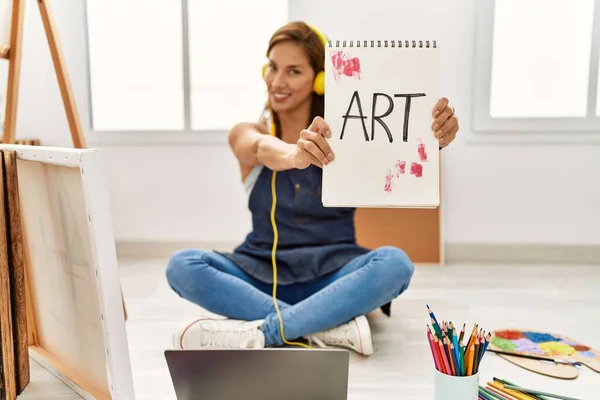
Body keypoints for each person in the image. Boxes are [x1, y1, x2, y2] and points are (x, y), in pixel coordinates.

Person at [166, 21, 459, 356]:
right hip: (261, 271)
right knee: (182, 265)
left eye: (293, 71)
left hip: (335, 273)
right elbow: (261, 148)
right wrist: (294, 155)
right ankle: (327, 325)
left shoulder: (350, 136)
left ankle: (270, 330)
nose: (277, 82)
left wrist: (433, 140)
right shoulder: (247, 132)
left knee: (396, 265)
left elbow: (396, 158)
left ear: (320, 80)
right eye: (273, 68)